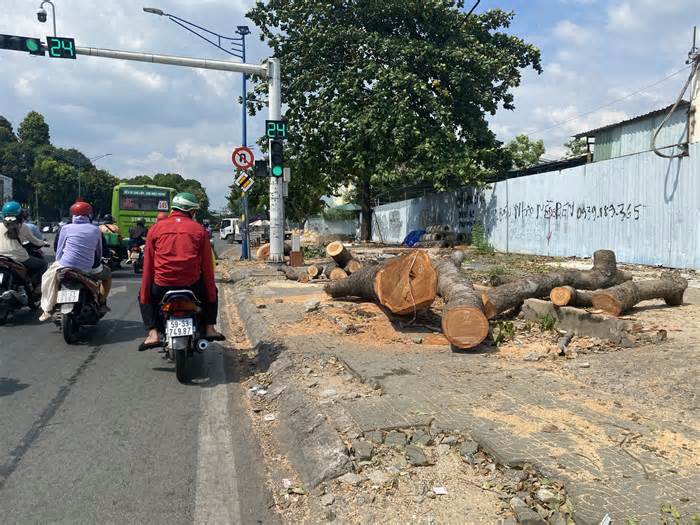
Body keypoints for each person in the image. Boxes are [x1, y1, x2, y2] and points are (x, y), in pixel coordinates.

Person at [138, 192, 225, 351]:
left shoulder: (155, 229)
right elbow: (207, 268)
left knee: (143, 295)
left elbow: (148, 265)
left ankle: (152, 334)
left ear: (173, 209)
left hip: (162, 285)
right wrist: (211, 291)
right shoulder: (199, 230)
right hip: (192, 285)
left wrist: (145, 292)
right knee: (212, 291)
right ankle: (210, 328)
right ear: (191, 211)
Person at [39, 201, 112, 322]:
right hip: (89, 267)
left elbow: (59, 248)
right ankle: (102, 302)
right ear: (89, 215)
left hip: (65, 264)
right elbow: (99, 251)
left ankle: (47, 308)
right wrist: (99, 260)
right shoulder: (95, 230)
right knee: (107, 276)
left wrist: (60, 262)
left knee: (47, 277)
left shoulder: (65, 228)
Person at [0, 201, 48, 284]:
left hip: (1, 256)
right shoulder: (22, 227)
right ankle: (37, 288)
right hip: (17, 257)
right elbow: (35, 241)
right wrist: (44, 243)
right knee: (43, 264)